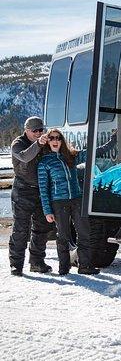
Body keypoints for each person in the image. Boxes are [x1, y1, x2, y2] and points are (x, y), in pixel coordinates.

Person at [37, 128, 116, 275]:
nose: (55, 141)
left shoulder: (71, 156)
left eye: (58, 138)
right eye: (52, 138)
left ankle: (84, 266)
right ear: (47, 141)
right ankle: (64, 267)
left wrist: (112, 142)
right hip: (59, 202)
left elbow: (93, 152)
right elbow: (43, 189)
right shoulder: (44, 162)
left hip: (76, 200)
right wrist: (47, 211)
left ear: (62, 141)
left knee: (84, 233)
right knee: (63, 236)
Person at [9, 116, 53, 276]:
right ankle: (16, 264)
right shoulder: (17, 143)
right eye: (35, 130)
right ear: (26, 130)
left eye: (41, 130)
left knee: (42, 228)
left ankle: (36, 262)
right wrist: (39, 144)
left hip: (42, 190)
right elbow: (25, 156)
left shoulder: (44, 141)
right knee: (21, 229)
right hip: (22, 190)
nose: (38, 133)